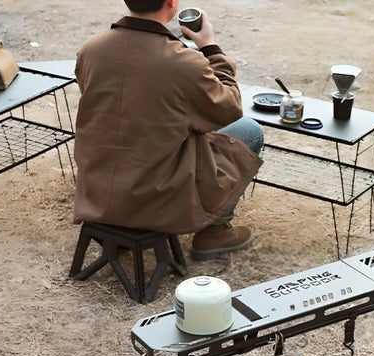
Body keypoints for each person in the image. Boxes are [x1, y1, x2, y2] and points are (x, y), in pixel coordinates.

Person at [73, 0, 264, 260]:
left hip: (98, 190)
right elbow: (229, 109)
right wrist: (211, 47)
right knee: (249, 130)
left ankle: (121, 227)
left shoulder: (91, 49)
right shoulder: (184, 62)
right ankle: (214, 234)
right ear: (171, 3)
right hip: (157, 195)